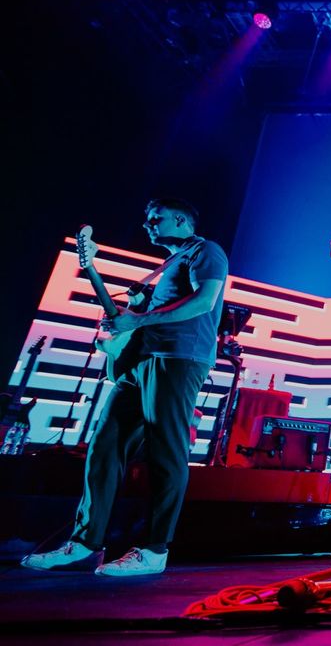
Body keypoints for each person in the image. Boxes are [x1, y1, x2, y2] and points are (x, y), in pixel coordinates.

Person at [23, 198, 228, 575]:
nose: (148, 225)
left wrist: (138, 320)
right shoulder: (168, 265)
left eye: (156, 218)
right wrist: (121, 328)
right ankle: (86, 543)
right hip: (139, 362)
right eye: (147, 219)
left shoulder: (205, 251)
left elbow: (204, 302)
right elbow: (138, 317)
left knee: (165, 450)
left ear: (181, 219)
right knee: (105, 445)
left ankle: (154, 550)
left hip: (178, 359)